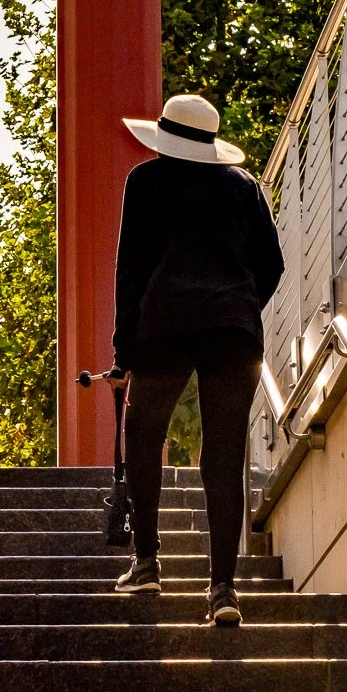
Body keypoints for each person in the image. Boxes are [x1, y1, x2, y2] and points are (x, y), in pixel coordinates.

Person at [109, 92, 285, 624]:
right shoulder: (244, 187)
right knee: (225, 456)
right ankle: (224, 591)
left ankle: (145, 564)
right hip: (233, 330)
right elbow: (271, 264)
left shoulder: (145, 181)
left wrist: (123, 352)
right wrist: (239, 305)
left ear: (164, 137)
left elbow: (131, 272)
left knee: (144, 433)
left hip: (164, 324)